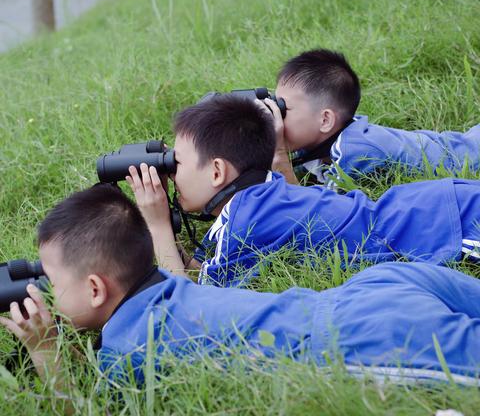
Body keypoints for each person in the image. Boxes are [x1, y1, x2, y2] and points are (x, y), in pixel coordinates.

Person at [1, 184, 479, 386]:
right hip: (375, 287)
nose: (44, 291)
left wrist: (46, 351)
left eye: (52, 280)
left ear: (96, 289)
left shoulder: (127, 349)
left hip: (368, 336)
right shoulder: (166, 287)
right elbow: (173, 269)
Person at [127, 94, 480, 288]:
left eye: (178, 165)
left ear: (217, 171)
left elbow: (188, 299)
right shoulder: (262, 195)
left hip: (449, 225)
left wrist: (157, 225)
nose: (171, 176)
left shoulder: (246, 218)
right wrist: (168, 239)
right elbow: (200, 271)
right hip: (434, 207)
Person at [269, 49, 480, 187]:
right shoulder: (319, 141)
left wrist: (279, 156)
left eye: (283, 108)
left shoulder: (354, 152)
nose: (276, 115)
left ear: (325, 120)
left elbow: (314, 213)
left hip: (471, 158)